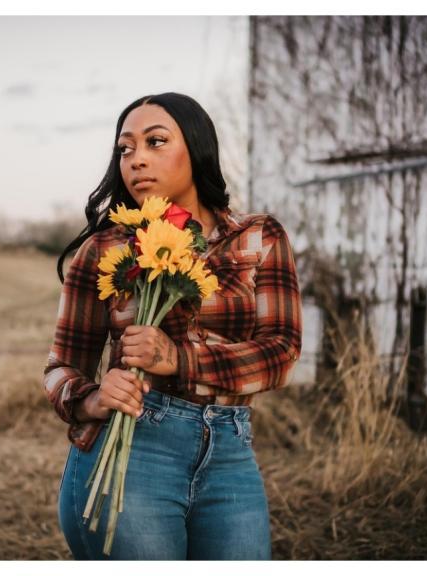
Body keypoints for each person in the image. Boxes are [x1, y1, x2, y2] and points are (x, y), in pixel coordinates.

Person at [43, 92, 302, 560]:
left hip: (231, 453)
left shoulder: (258, 238)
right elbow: (60, 367)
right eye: (125, 149)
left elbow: (281, 353)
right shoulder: (103, 250)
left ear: (197, 148)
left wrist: (177, 358)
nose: (136, 160)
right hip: (132, 451)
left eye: (155, 142)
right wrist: (96, 397)